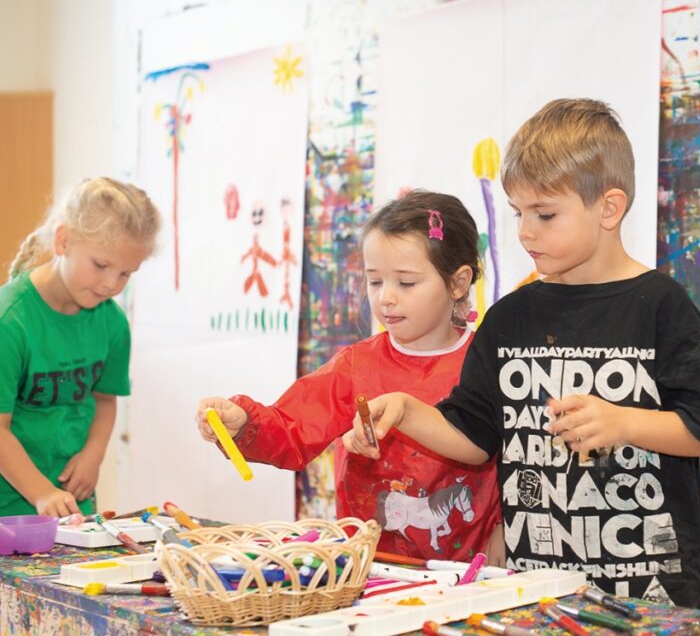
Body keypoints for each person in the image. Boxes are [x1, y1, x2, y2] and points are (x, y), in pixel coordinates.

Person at [344, 99, 700, 608]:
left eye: (545, 214)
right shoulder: (510, 319)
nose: (526, 232)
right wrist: (404, 408)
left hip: (651, 594)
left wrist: (624, 423)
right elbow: (473, 436)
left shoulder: (661, 307)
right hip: (539, 592)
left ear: (609, 208)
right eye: (518, 213)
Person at [196, 190, 502, 562]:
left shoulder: (488, 362)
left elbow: (514, 458)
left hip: (469, 569)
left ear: (458, 282)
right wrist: (242, 422)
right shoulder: (356, 366)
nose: (386, 298)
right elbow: (290, 432)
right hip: (369, 565)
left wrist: (501, 531)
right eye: (375, 282)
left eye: (405, 283)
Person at [0, 177, 161, 517]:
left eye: (125, 274)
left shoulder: (112, 323)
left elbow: (105, 400)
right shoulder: (10, 321)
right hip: (11, 509)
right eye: (101, 265)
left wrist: (94, 454)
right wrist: (42, 492)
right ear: (63, 240)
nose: (110, 284)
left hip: (74, 506)